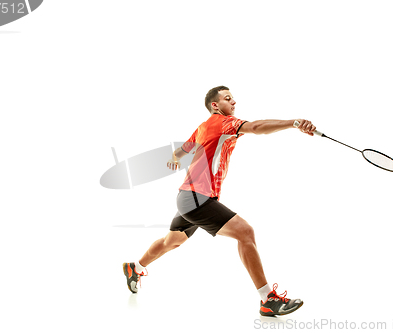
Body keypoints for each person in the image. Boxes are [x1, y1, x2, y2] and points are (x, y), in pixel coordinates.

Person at [123, 86, 316, 316]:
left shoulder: (203, 127)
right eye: (228, 99)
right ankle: (268, 299)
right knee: (245, 232)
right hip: (197, 198)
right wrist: (294, 123)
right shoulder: (225, 122)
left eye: (233, 98)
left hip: (187, 198)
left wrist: (174, 159)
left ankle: (135, 267)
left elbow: (182, 150)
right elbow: (256, 127)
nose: (233, 102)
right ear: (215, 105)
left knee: (171, 241)